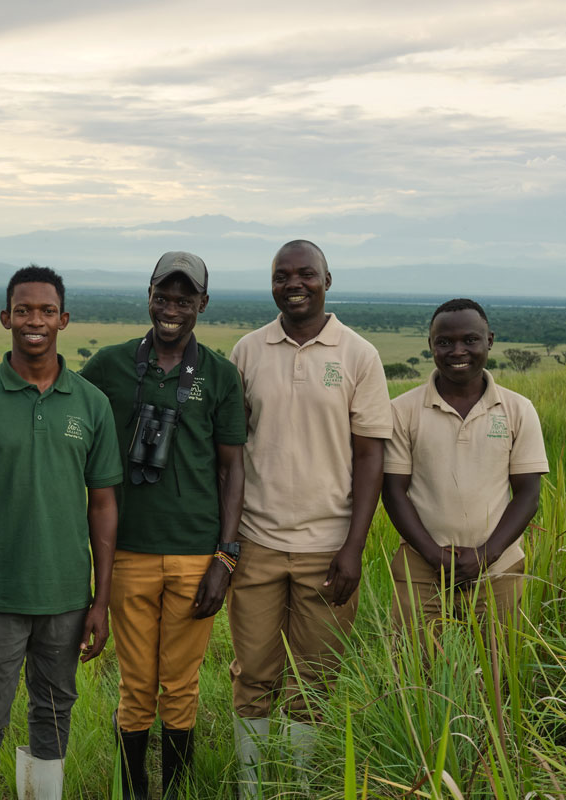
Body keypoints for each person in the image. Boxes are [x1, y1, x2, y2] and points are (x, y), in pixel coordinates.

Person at [0, 265, 122, 800]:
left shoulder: (90, 403)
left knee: (54, 711)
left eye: (46, 311)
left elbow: (104, 504)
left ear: (64, 319)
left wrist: (100, 599)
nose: (34, 321)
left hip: (65, 594)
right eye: (23, 310)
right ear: (5, 318)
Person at [228, 240, 391, 794]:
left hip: (329, 547)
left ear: (328, 279)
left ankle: (298, 786)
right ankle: (251, 788)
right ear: (271, 283)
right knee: (252, 674)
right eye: (281, 275)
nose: (293, 284)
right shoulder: (247, 351)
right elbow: (230, 451)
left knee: (314, 681)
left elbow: (371, 455)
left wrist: (354, 547)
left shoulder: (358, 354)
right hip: (257, 542)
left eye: (305, 274)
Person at [80, 252, 245, 799]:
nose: (171, 308)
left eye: (184, 299)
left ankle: (175, 792)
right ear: (147, 294)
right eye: (163, 296)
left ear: (202, 303)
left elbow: (232, 467)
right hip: (128, 551)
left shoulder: (219, 374)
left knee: (181, 683)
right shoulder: (109, 365)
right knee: (136, 684)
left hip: (198, 555)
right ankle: (134, 791)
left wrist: (226, 556)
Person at [383, 298, 548, 636]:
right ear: (430, 346)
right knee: (414, 675)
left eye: (470, 340)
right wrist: (432, 555)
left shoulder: (518, 409)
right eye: (444, 342)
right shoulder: (402, 410)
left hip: (498, 569)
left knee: (499, 674)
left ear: (489, 340)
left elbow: (528, 494)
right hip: (420, 570)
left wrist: (486, 555)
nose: (458, 350)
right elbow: (393, 491)